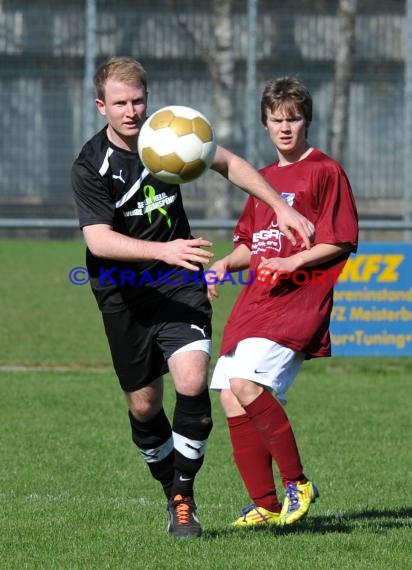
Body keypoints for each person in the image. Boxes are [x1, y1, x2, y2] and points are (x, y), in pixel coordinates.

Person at [71, 57, 314, 540]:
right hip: (122, 291)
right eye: (120, 103)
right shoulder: (90, 165)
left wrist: (276, 207)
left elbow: (230, 163)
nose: (132, 111)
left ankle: (184, 498)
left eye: (138, 99)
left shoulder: (169, 135)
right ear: (102, 106)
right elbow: (98, 241)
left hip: (180, 279)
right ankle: (170, 488)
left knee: (193, 375)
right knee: (143, 406)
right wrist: (163, 249)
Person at [208, 76, 358, 528]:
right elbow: (251, 245)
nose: (285, 128)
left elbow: (341, 240)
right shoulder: (264, 181)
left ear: (307, 121)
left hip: (298, 298)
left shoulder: (325, 171)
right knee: (230, 396)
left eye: (293, 119)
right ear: (265, 125)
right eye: (277, 120)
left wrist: (294, 264)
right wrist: (220, 266)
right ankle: (266, 504)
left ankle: (298, 482)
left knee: (249, 386)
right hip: (257, 298)